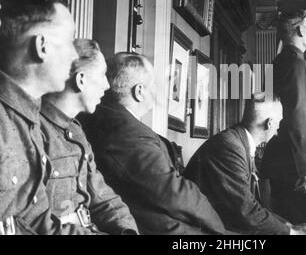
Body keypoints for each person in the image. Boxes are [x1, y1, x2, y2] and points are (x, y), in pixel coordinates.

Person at [82, 53, 226, 235]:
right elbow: (175, 194)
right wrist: (221, 232)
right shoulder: (126, 130)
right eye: (154, 85)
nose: (157, 92)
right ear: (139, 91)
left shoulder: (109, 119)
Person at [40, 39, 138, 235]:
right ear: (81, 79)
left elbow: (102, 196)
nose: (107, 85)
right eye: (102, 75)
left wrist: (127, 231)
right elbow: (36, 221)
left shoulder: (76, 130)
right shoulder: (36, 130)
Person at [0, 0, 78, 234]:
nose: (75, 56)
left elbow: (38, 223)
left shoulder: (28, 122)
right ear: (41, 46)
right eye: (69, 42)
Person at [185, 93, 306, 235]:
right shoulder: (230, 147)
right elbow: (245, 212)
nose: (277, 131)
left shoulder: (237, 142)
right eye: (278, 123)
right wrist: (291, 232)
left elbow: (251, 207)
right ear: (269, 123)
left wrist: (288, 226)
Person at [260, 11, 306, 224]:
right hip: (297, 166)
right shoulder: (296, 63)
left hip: (292, 161)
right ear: (300, 30)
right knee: (301, 223)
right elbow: (298, 115)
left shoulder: (285, 61)